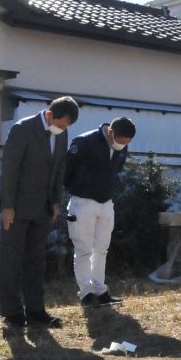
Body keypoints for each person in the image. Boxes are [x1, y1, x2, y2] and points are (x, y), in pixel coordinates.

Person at [0, 96, 79, 328]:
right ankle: (12, 313)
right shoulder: (23, 129)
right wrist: (7, 206)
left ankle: (36, 311)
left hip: (43, 209)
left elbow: (59, 169)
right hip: (17, 208)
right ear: (50, 114)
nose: (63, 129)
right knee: (12, 261)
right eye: (62, 124)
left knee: (36, 261)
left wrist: (55, 201)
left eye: (67, 127)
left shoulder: (61, 134)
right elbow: (10, 170)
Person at [64, 117, 136, 307]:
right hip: (83, 202)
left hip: (107, 204)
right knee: (83, 250)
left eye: (127, 143)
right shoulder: (84, 141)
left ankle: (100, 290)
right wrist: (79, 188)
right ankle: (86, 294)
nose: (123, 146)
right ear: (111, 133)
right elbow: (66, 170)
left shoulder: (122, 146)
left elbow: (116, 170)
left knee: (101, 249)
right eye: (122, 142)